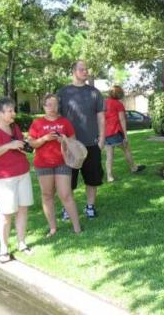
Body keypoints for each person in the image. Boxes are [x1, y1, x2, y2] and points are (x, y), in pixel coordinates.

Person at [0, 97, 34, 263]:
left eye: (13, 110)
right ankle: (3, 248)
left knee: (23, 209)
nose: (14, 113)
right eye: (10, 110)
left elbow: (20, 147)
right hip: (3, 178)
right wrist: (7, 146)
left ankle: (21, 243)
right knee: (6, 214)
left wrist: (25, 145)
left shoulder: (15, 127)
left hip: (22, 173)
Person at [28, 94, 82, 235]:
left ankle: (77, 227)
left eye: (55, 104)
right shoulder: (37, 123)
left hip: (62, 162)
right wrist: (44, 139)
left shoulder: (65, 122)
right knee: (47, 195)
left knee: (65, 194)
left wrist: (63, 141)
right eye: (49, 104)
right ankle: (53, 228)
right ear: (44, 106)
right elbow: (31, 143)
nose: (52, 108)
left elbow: (74, 143)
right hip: (43, 163)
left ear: (58, 106)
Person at [58, 60, 105, 219]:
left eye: (86, 69)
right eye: (82, 69)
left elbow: (101, 117)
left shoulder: (94, 93)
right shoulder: (63, 93)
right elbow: (56, 118)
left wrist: (102, 138)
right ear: (74, 72)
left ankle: (90, 207)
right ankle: (67, 209)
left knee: (92, 179)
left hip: (92, 143)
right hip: (70, 145)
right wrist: (62, 140)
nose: (85, 72)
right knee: (68, 181)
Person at [104, 85, 146, 182]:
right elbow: (122, 120)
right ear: (119, 94)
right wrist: (126, 136)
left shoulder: (104, 103)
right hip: (115, 132)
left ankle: (109, 176)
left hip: (106, 133)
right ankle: (133, 168)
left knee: (109, 155)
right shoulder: (118, 104)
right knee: (126, 149)